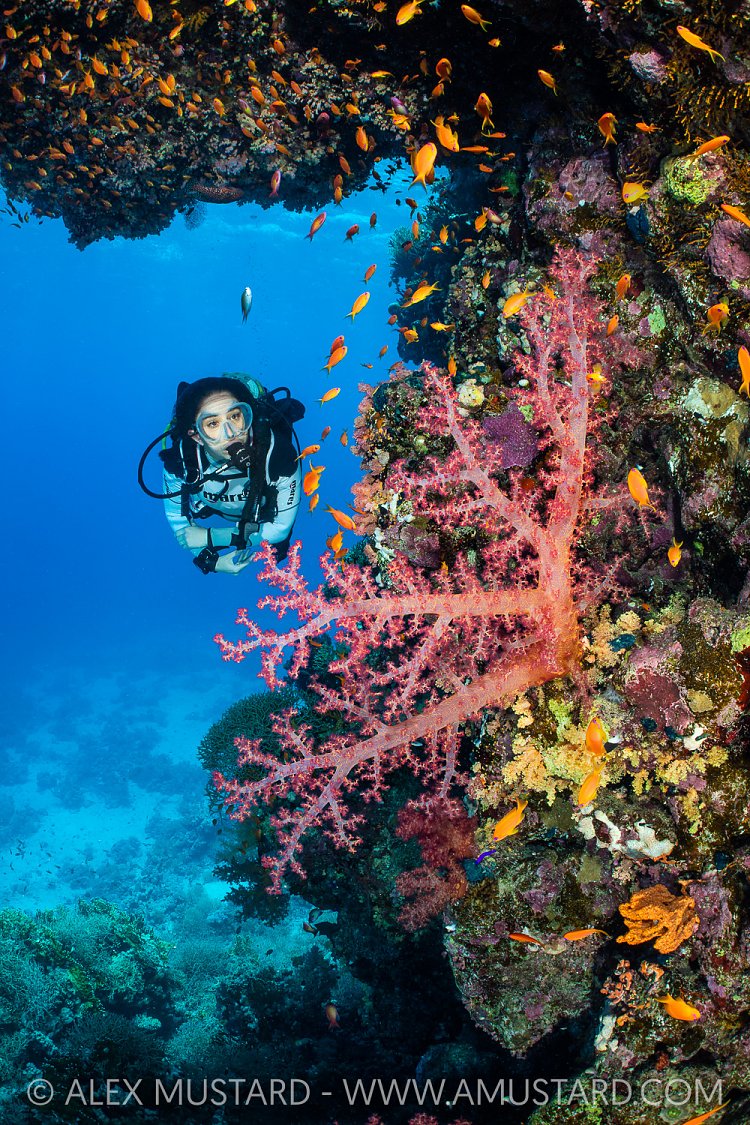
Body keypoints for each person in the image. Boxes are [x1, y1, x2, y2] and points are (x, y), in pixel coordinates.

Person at [151, 374, 303, 574]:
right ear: (196, 436)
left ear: (247, 416)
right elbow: (180, 524)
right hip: (216, 510)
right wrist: (212, 562)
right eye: (212, 424)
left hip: (263, 514)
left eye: (234, 416)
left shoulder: (278, 456)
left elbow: (280, 528)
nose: (231, 433)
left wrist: (212, 537)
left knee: (279, 553)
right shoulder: (181, 462)